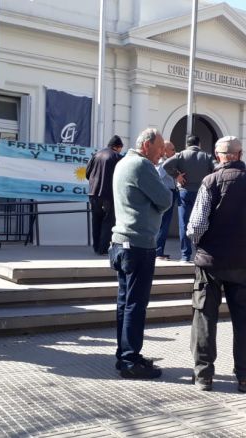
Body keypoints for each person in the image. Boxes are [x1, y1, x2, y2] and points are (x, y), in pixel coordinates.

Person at [187, 136, 246, 393]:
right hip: (243, 263)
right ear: (240, 154)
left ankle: (204, 376)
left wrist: (200, 247)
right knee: (243, 320)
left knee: (204, 318)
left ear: (218, 154)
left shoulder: (209, 181)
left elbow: (196, 226)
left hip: (210, 263)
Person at [109, 128, 172, 378]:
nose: (160, 156)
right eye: (158, 151)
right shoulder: (142, 166)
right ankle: (130, 361)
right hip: (138, 244)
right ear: (146, 146)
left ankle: (125, 355)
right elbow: (165, 200)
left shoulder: (123, 162)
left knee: (125, 303)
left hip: (121, 243)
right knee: (136, 305)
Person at [163, 135, 215, 262]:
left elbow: (166, 165)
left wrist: (177, 176)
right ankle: (201, 253)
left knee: (184, 224)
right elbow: (217, 168)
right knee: (202, 223)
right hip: (202, 193)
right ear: (199, 144)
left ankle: (185, 255)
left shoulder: (181, 155)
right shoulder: (206, 156)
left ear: (187, 144)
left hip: (185, 192)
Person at [86, 135, 123, 256]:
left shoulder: (96, 155)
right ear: (117, 147)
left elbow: (87, 173)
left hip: (93, 194)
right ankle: (103, 249)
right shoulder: (117, 157)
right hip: (108, 194)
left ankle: (96, 247)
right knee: (108, 221)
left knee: (96, 220)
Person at [155, 141, 178, 260]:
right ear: (165, 151)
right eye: (172, 149)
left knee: (164, 223)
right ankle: (158, 251)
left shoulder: (167, 162)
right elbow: (158, 176)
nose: (175, 152)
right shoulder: (163, 163)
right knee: (163, 223)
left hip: (170, 191)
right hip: (166, 192)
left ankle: (159, 250)